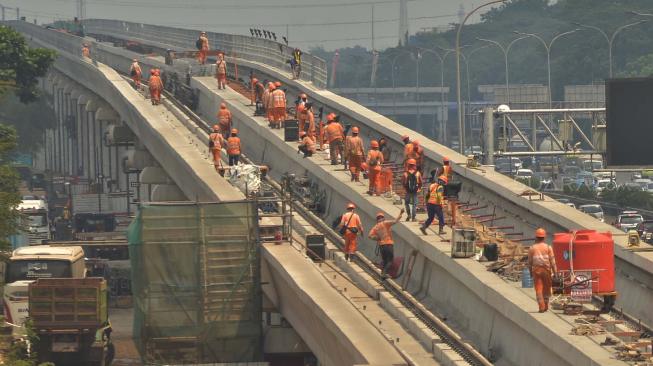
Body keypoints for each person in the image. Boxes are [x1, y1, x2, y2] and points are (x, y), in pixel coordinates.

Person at [528, 228, 558, 313]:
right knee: (547, 288)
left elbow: (529, 262)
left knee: (538, 289)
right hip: (546, 270)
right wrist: (555, 273)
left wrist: (530, 272)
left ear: (536, 237)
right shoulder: (548, 247)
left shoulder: (532, 248)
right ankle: (546, 306)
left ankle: (541, 307)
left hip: (536, 271)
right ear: (544, 238)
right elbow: (552, 261)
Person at [368, 208, 404, 278]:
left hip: (381, 246)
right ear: (383, 218)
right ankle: (384, 273)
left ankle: (382, 274)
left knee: (384, 261)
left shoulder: (375, 227)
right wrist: (401, 214)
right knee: (390, 260)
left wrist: (377, 238)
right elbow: (395, 221)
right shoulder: (385, 223)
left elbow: (369, 236)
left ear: (377, 219)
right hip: (388, 244)